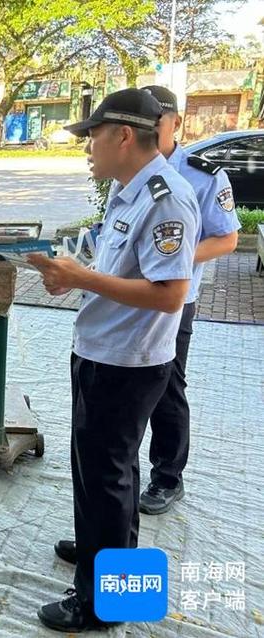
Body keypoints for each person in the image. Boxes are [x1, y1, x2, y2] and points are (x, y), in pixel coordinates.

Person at [26, 88, 200, 632]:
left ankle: (101, 604)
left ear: (124, 136)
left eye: (92, 137)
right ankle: (107, 563)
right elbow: (120, 273)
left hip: (128, 362)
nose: (87, 149)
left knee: (105, 476)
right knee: (102, 471)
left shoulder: (164, 197)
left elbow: (170, 292)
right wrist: (73, 277)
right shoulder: (128, 191)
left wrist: (81, 278)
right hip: (102, 350)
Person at [137, 85, 241, 515]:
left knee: (165, 385)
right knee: (128, 385)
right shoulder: (132, 171)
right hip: (131, 297)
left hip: (176, 299)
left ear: (175, 123)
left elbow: (228, 238)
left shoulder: (201, 174)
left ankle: (167, 476)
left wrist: (175, 262)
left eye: (154, 124)